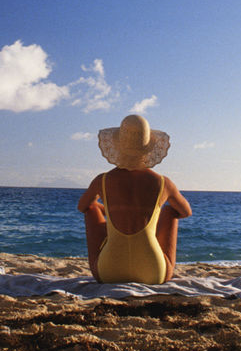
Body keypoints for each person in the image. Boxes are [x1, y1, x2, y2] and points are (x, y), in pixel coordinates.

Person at [77, 114, 192, 284]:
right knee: (170, 210)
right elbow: (185, 212)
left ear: (118, 145)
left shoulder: (102, 180)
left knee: (92, 209)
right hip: (153, 272)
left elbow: (82, 207)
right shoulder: (163, 183)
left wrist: (108, 210)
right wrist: (153, 213)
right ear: (149, 147)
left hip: (109, 271)